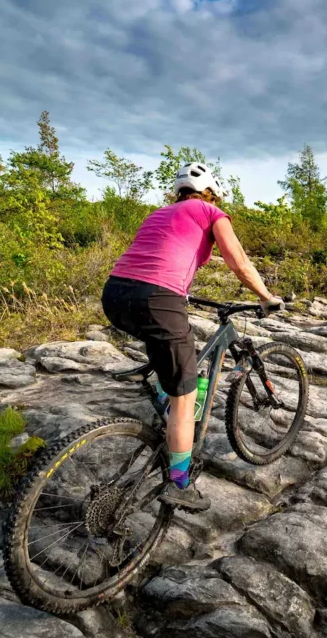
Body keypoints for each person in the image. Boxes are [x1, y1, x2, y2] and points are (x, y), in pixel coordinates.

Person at [101, 162, 282, 512]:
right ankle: (179, 483)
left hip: (115, 294)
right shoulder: (211, 211)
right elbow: (240, 262)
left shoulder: (159, 213)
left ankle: (167, 398)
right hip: (157, 298)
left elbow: (162, 254)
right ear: (212, 192)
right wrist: (266, 297)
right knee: (185, 395)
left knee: (171, 355)